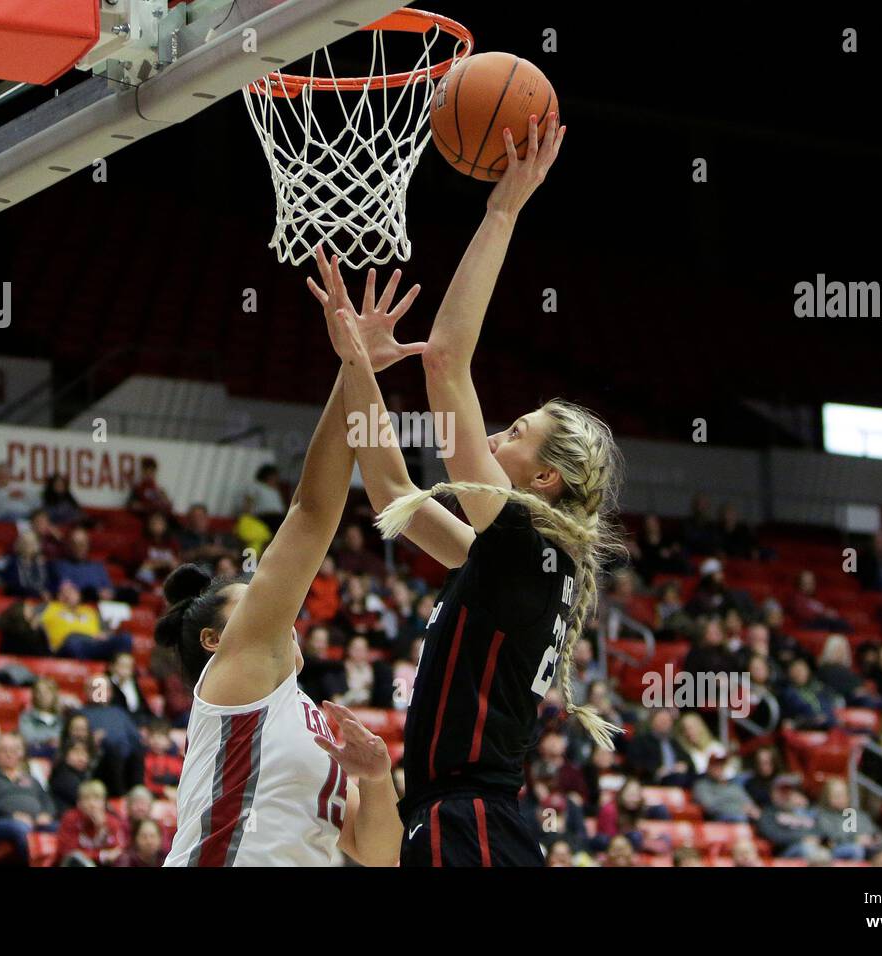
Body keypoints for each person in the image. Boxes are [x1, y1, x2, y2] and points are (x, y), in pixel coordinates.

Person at [320, 115, 622, 868]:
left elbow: (447, 361)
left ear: (544, 478)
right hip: (458, 819)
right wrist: (359, 368)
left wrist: (503, 209)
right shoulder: (511, 556)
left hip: (471, 820)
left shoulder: (526, 539)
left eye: (514, 432)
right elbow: (390, 484)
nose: (492, 438)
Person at [157, 291, 408, 868]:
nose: (280, 615)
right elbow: (313, 513)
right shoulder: (241, 676)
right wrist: (354, 370)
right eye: (253, 606)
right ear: (216, 641)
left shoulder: (308, 715)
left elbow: (378, 854)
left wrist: (375, 779)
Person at [0, 733, 57, 865]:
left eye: (13, 750)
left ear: (20, 754)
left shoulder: (31, 779)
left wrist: (46, 814)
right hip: (3, 822)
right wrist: (12, 815)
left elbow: (46, 800)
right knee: (21, 829)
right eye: (3, 750)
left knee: (59, 828)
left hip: (36, 821)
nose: (9, 754)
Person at [40, 580, 133, 661]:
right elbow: (32, 620)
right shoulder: (50, 607)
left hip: (94, 644)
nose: (68, 594)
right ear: (58, 595)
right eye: (64, 592)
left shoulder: (89, 610)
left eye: (72, 591)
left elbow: (107, 632)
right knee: (73, 641)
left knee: (125, 638)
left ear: (79, 594)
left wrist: (105, 635)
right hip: (67, 645)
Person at [56, 779, 128, 866]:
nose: (92, 804)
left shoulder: (111, 821)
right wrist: (101, 855)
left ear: (104, 802)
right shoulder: (71, 818)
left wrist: (102, 828)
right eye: (87, 799)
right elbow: (69, 853)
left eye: (96, 799)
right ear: (79, 803)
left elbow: (117, 851)